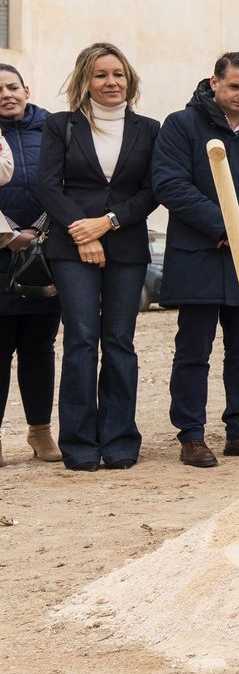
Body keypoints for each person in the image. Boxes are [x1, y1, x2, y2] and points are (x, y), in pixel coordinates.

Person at [152, 52, 239, 467]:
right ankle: (192, 436)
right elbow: (169, 183)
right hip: (199, 253)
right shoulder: (181, 125)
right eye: (235, 86)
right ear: (214, 83)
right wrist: (224, 227)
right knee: (194, 349)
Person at [36, 43, 160, 471]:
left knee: (120, 342)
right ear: (84, 80)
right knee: (82, 341)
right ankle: (79, 444)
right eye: (101, 75)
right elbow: (48, 186)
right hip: (71, 248)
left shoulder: (149, 129)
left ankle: (121, 439)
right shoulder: (61, 125)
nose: (111, 82)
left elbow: (151, 191)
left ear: (130, 79)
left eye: (118, 74)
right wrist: (82, 232)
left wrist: (107, 223)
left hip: (125, 246)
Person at [0, 64, 63, 467]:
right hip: (1, 255)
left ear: (26, 88)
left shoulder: (54, 130)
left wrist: (40, 230)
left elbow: (67, 182)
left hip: (45, 253)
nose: (6, 94)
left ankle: (40, 432)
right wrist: (7, 233)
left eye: (11, 87)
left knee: (40, 347)